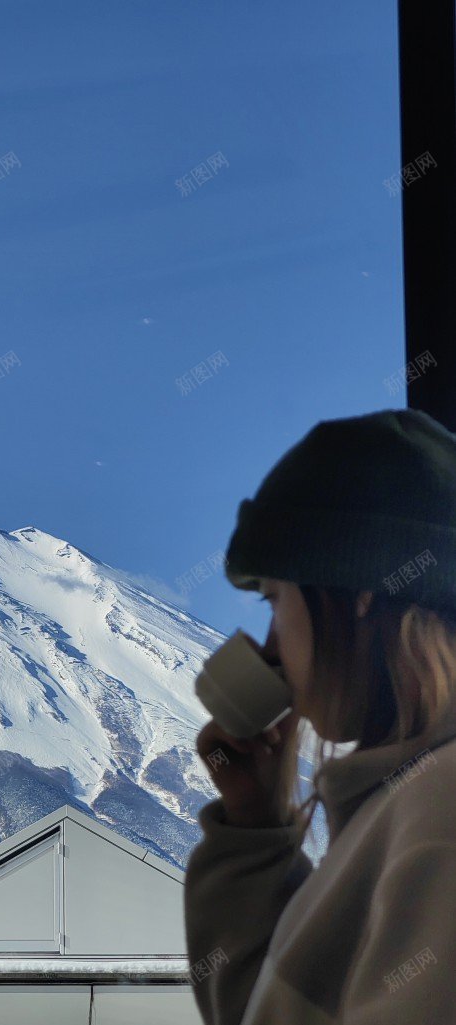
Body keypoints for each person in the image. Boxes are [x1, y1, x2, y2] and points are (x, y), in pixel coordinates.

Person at [184, 408, 456, 1025]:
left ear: (358, 593)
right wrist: (255, 828)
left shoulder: (438, 812)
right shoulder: (402, 804)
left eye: (276, 600)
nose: (271, 648)